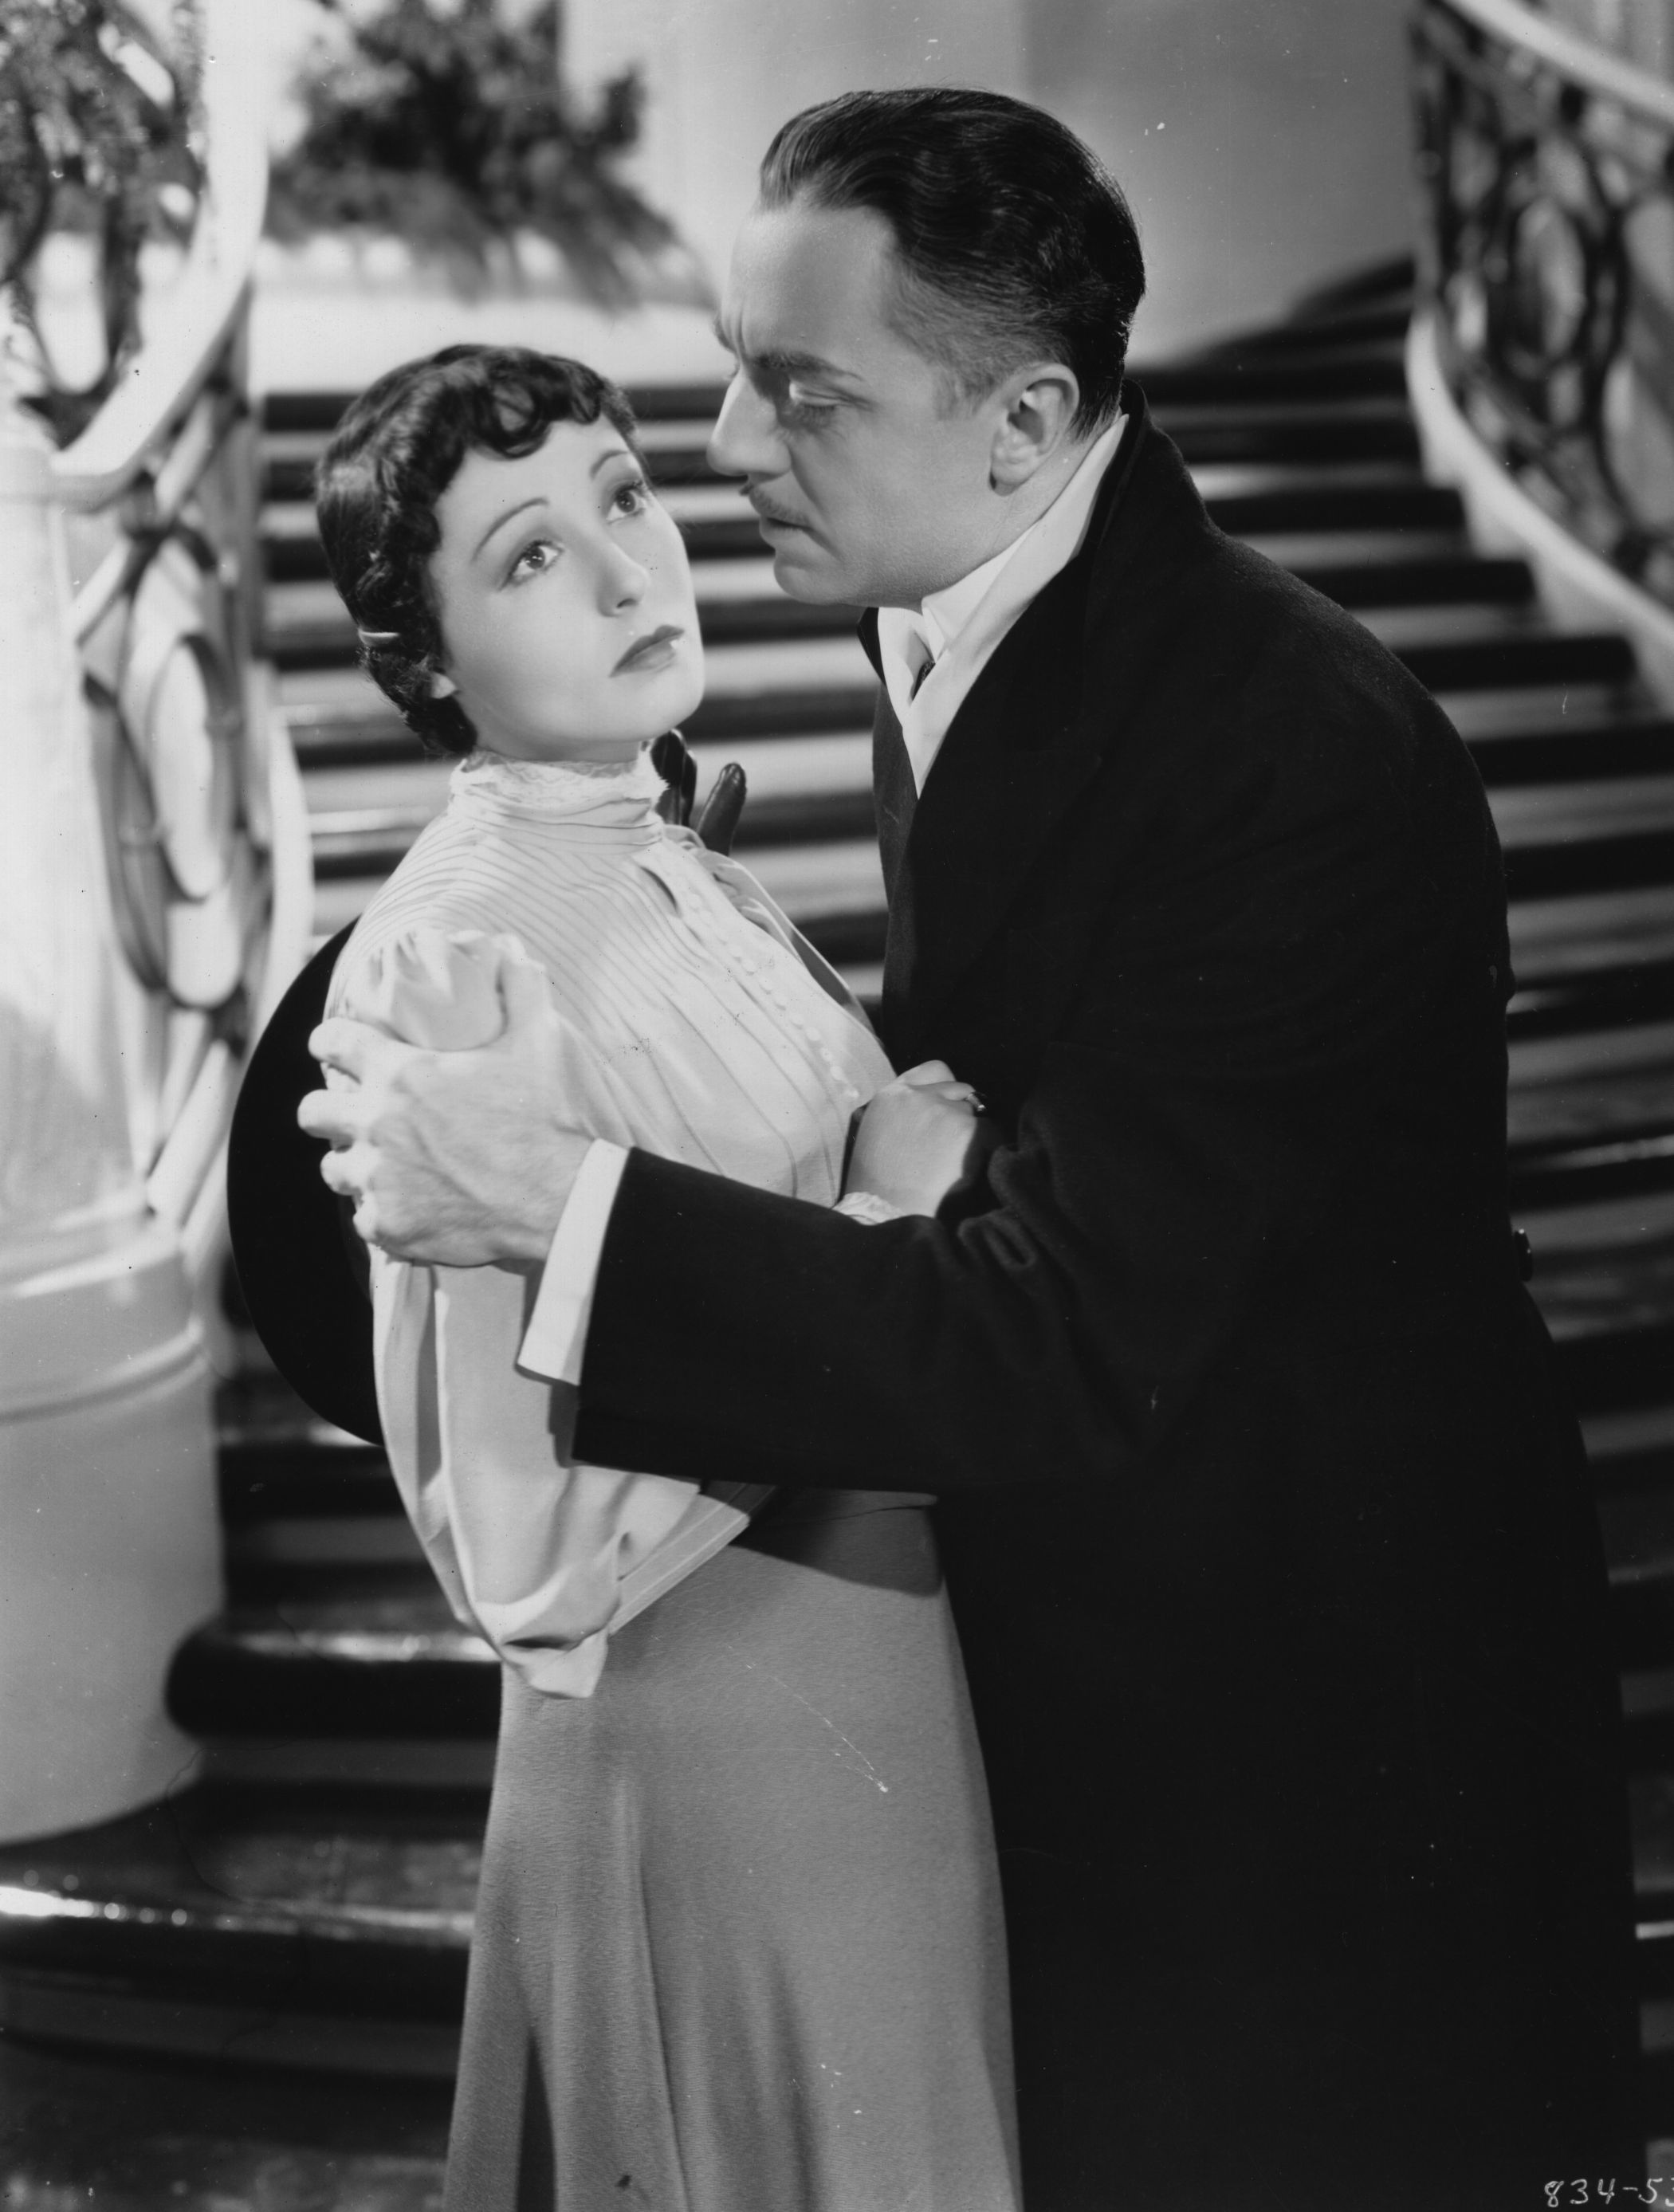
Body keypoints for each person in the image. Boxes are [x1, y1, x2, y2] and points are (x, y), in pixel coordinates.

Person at [299, 91, 1642, 2210]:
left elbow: (1053, 1337)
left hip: (1303, 1715)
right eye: (736, 369)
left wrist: (566, 1208)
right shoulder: (954, 590)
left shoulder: (1286, 753)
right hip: (1075, 1649)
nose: (730, 451)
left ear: (1018, 424)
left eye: (798, 393)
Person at [294, 344, 1021, 2212]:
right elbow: (528, 1546)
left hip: (874, 1674)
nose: (632, 572)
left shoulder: (666, 853)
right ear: (432, 657)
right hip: (714, 1726)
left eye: (624, 496)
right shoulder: (449, 957)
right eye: (531, 554)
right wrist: (877, 1216)